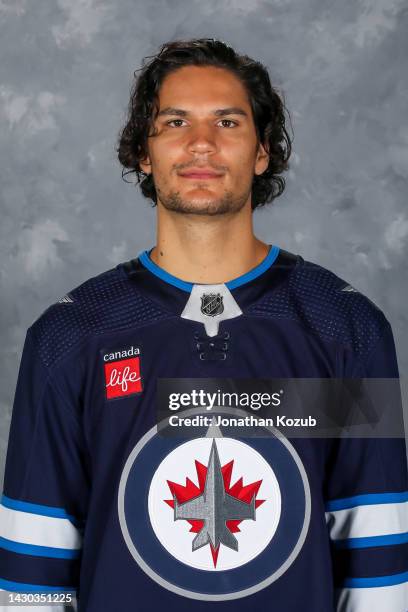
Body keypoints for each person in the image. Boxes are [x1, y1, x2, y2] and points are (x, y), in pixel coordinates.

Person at [0, 38, 407, 612]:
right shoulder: (70, 337)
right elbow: (32, 572)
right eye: (174, 122)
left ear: (262, 151)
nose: (201, 143)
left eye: (227, 121)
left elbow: (378, 560)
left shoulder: (347, 328)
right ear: (144, 152)